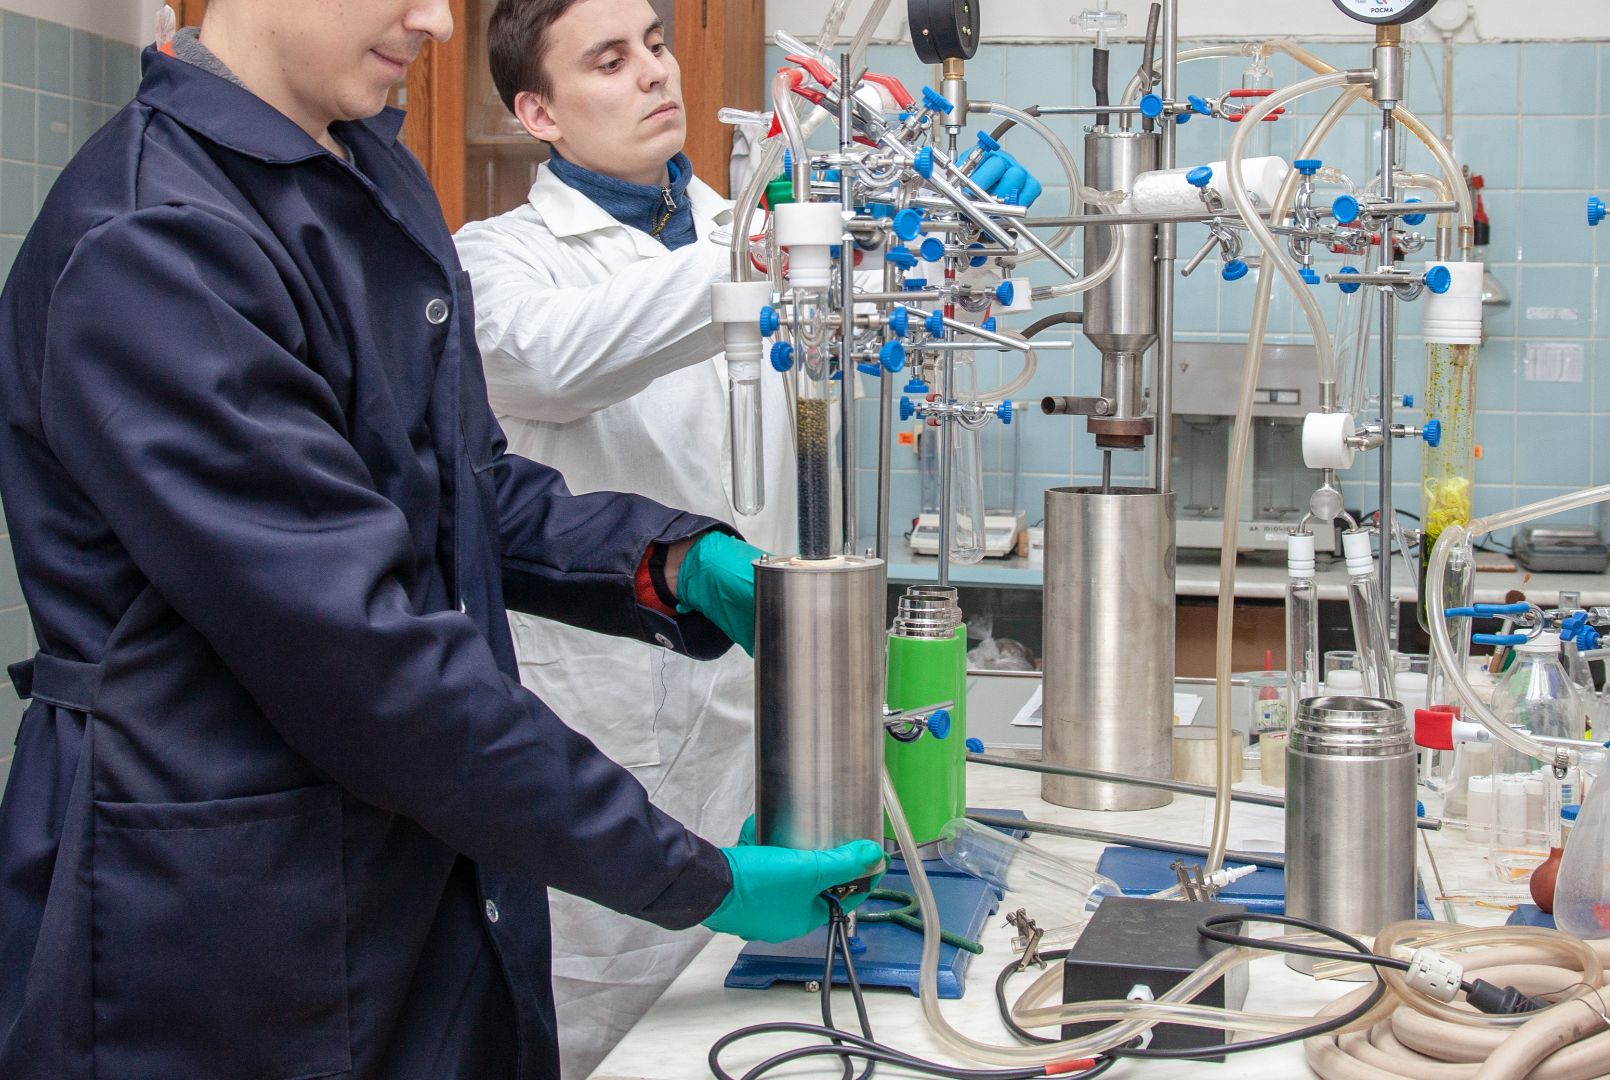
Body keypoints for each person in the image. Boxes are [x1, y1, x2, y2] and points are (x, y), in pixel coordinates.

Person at [0, 2, 881, 1078]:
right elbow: (365, 658)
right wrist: (693, 876)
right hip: (227, 917)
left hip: (403, 863)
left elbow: (454, 486)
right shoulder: (159, 239)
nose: (436, 21)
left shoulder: (359, 170)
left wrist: (664, 562)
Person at [454, 2, 1041, 1072]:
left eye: (657, 44)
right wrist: (775, 233)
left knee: (744, 1041)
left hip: (763, 744)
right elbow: (550, 357)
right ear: (535, 111)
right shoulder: (496, 263)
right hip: (603, 761)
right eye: (609, 59)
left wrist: (947, 226)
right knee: (596, 1051)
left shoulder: (752, 223)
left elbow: (915, 304)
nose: (653, 74)